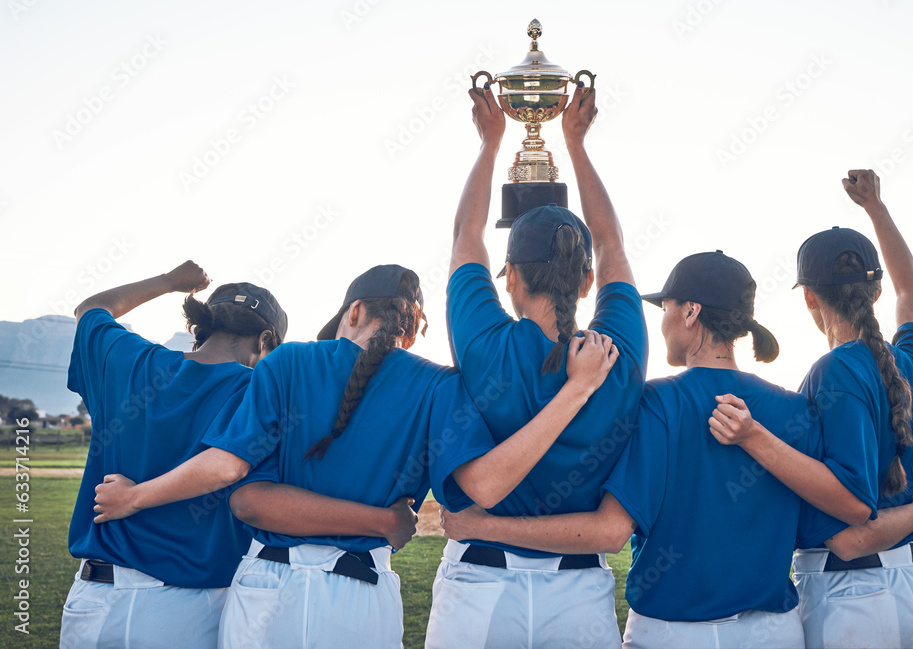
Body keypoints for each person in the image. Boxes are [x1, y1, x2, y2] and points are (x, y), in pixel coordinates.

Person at [94, 264, 619, 649]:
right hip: (362, 595)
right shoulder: (438, 384)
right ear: (413, 331)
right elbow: (484, 487)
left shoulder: (289, 362)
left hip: (265, 593)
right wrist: (574, 393)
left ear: (354, 311)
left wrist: (137, 495)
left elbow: (244, 495)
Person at [441, 251, 913, 649]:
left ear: (692, 313)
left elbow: (610, 530)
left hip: (670, 630)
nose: (663, 322)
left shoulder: (657, 403)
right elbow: (838, 520)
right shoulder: (795, 409)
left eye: (667, 309)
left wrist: (481, 524)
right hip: (774, 631)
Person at [424, 82, 648, 649]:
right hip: (577, 594)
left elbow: (464, 237)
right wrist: (576, 142)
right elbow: (613, 243)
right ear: (588, 281)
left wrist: (490, 141)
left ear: (512, 280)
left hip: (479, 584)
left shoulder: (486, 345)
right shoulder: (615, 351)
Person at [709, 170, 913, 648]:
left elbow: (849, 538)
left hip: (852, 597)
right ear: (877, 292)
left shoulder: (831, 373)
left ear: (808, 297)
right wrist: (876, 208)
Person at [60, 262, 289, 649]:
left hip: (92, 600)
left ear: (202, 327)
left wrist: (170, 282)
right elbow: (226, 468)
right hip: (184, 610)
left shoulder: (129, 360)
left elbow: (90, 309)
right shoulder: (258, 391)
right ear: (265, 339)